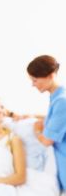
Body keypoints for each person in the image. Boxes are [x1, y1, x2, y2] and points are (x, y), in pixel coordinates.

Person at [27, 55, 66, 195]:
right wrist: (29, 116)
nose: (33, 84)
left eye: (35, 80)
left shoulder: (62, 101)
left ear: (50, 76)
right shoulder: (56, 98)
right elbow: (53, 118)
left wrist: (37, 130)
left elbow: (46, 140)